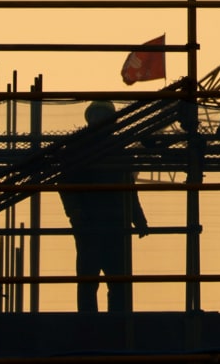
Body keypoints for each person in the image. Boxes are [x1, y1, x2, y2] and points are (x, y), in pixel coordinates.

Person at [58, 99, 149, 314]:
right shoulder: (79, 148)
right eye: (98, 116)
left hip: (111, 224)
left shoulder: (114, 149)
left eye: (103, 116)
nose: (100, 121)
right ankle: (93, 322)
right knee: (91, 279)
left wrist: (138, 218)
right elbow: (66, 183)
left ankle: (112, 322)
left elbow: (129, 188)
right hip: (93, 224)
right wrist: (76, 213)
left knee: (114, 280)